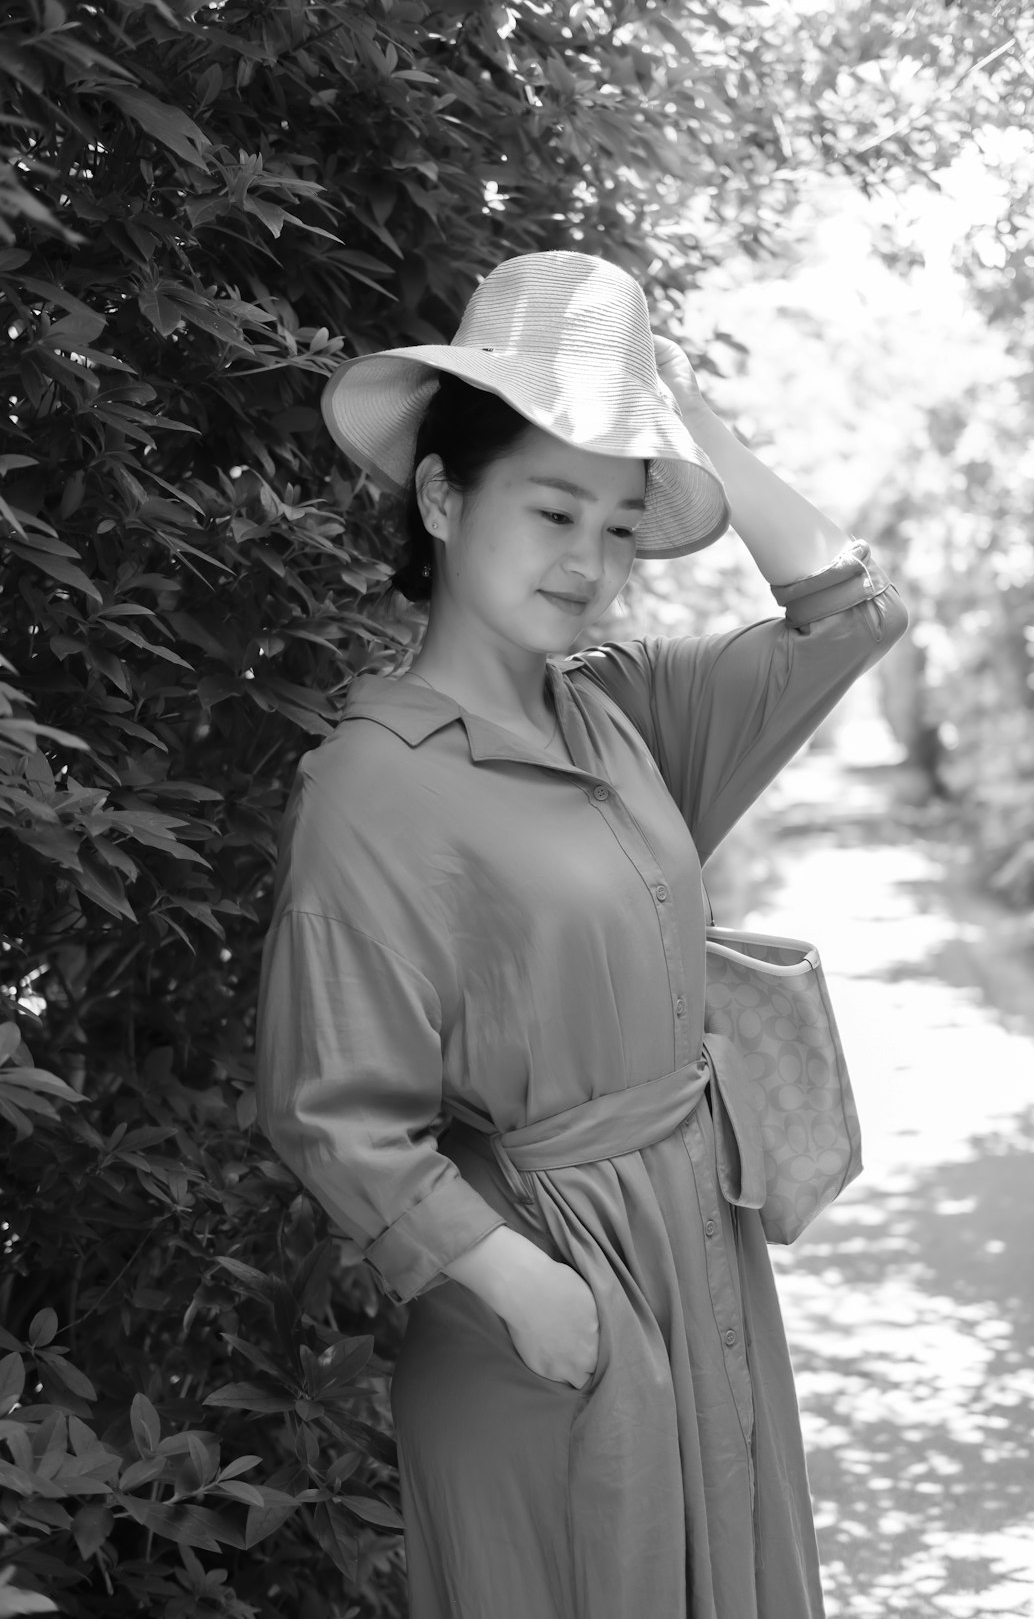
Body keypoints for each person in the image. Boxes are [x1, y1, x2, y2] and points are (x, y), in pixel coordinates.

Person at [255, 250, 907, 1619]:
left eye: (619, 523)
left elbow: (850, 616)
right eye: (554, 506)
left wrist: (671, 410)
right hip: (540, 1299)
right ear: (441, 496)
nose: (590, 560)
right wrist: (527, 1291)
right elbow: (338, 1110)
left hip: (702, 1260)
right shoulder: (376, 782)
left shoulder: (617, 715)